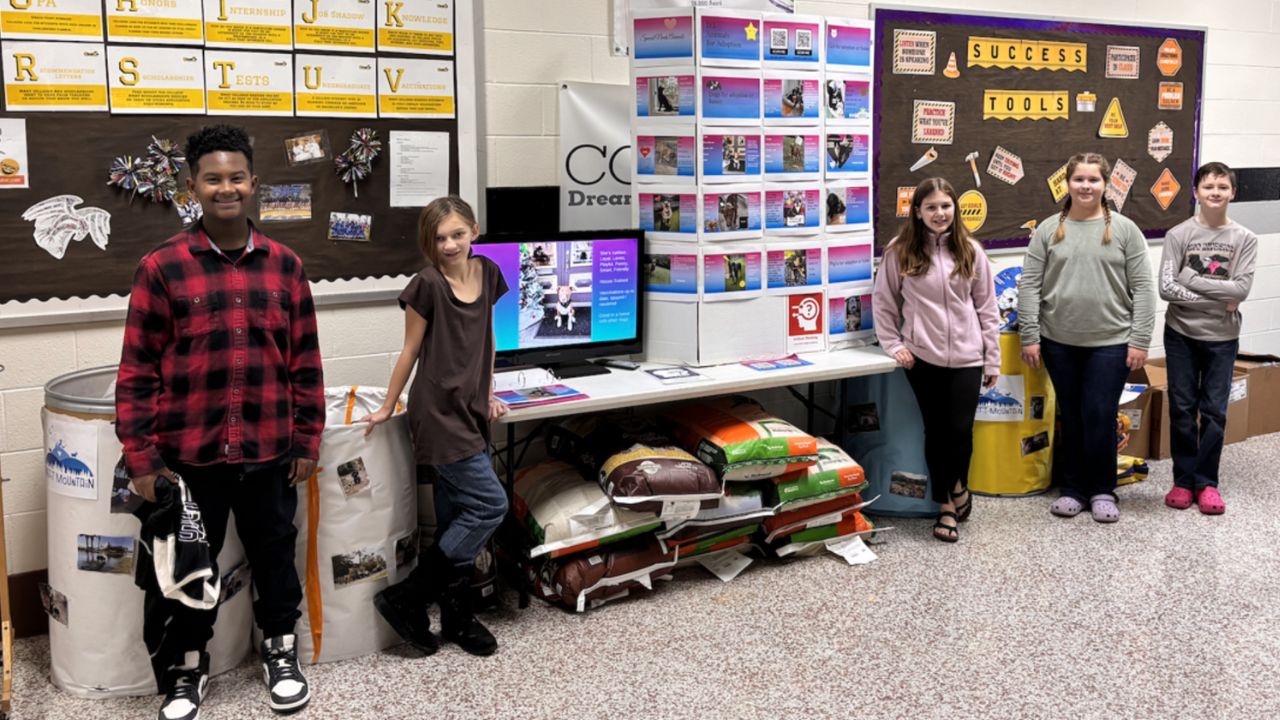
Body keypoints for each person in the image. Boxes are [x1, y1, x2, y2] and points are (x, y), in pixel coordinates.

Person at [115, 124, 322, 720]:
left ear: (254, 184)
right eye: (213, 178)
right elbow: (136, 372)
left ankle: (280, 651)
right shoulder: (161, 268)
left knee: (275, 557)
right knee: (186, 568)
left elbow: (305, 362)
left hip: (269, 451)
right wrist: (143, 459)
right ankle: (187, 668)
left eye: (236, 177)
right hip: (189, 458)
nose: (225, 187)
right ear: (192, 186)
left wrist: (307, 438)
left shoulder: (286, 266)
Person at [364, 195, 509, 657]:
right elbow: (409, 350)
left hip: (470, 407)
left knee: (454, 515)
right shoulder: (426, 284)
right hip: (438, 412)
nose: (449, 244)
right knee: (489, 506)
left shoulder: (488, 273)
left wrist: (487, 392)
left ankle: (456, 618)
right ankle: (408, 597)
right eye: (439, 238)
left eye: (457, 234)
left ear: (474, 231)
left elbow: (486, 336)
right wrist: (389, 405)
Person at [1018, 152, 1155, 523]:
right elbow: (1030, 285)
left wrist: (1140, 339)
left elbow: (1143, 288)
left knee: (1099, 413)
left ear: (1105, 185)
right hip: (1058, 341)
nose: (1086, 186)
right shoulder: (1048, 229)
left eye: (1093, 180)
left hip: (1111, 343)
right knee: (1072, 414)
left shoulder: (1125, 230)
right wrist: (1029, 334)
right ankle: (1074, 488)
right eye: (1079, 179)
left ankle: (1103, 490)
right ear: (1068, 183)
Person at [873, 177, 1001, 542]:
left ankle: (959, 486)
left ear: (955, 209)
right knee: (936, 432)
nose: (940, 213)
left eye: (946, 206)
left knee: (959, 431)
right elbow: (884, 303)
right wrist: (893, 344)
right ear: (917, 212)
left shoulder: (971, 250)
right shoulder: (900, 251)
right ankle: (947, 505)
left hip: (967, 357)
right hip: (923, 358)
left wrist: (992, 360)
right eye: (931, 207)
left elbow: (987, 310)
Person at [1158, 162, 1257, 515]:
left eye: (1222, 187)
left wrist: (1191, 277)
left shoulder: (1244, 238)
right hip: (1181, 335)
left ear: (1233, 192)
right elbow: (1166, 288)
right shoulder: (1178, 235)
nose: (1215, 192)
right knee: (1183, 408)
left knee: (1214, 411)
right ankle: (1183, 480)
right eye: (1208, 186)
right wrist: (1219, 295)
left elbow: (1242, 288)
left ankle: (1207, 482)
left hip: (1223, 336)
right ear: (1196, 192)